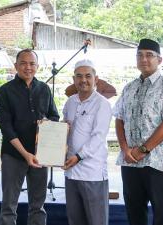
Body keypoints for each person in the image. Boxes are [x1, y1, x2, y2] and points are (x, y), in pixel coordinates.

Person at [114, 38, 163, 225]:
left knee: (160, 212)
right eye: (140, 55)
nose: (144, 59)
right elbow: (119, 119)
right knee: (134, 210)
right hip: (129, 161)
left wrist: (142, 150)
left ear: (159, 60)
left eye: (149, 55)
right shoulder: (129, 88)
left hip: (156, 162)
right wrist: (125, 149)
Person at [0, 49, 59, 225]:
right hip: (14, 155)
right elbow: (6, 128)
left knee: (38, 205)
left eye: (32, 64)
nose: (28, 67)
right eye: (23, 63)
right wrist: (25, 154)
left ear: (37, 66)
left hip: (40, 155)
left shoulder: (44, 89)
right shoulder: (5, 91)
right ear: (16, 66)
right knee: (9, 206)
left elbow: (54, 116)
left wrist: (47, 123)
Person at [62, 59, 112, 225]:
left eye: (88, 76)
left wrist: (78, 156)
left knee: (96, 221)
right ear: (74, 79)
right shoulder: (70, 102)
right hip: (70, 172)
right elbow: (65, 132)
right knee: (75, 220)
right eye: (79, 76)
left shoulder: (102, 104)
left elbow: (98, 137)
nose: (83, 80)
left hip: (92, 173)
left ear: (95, 79)